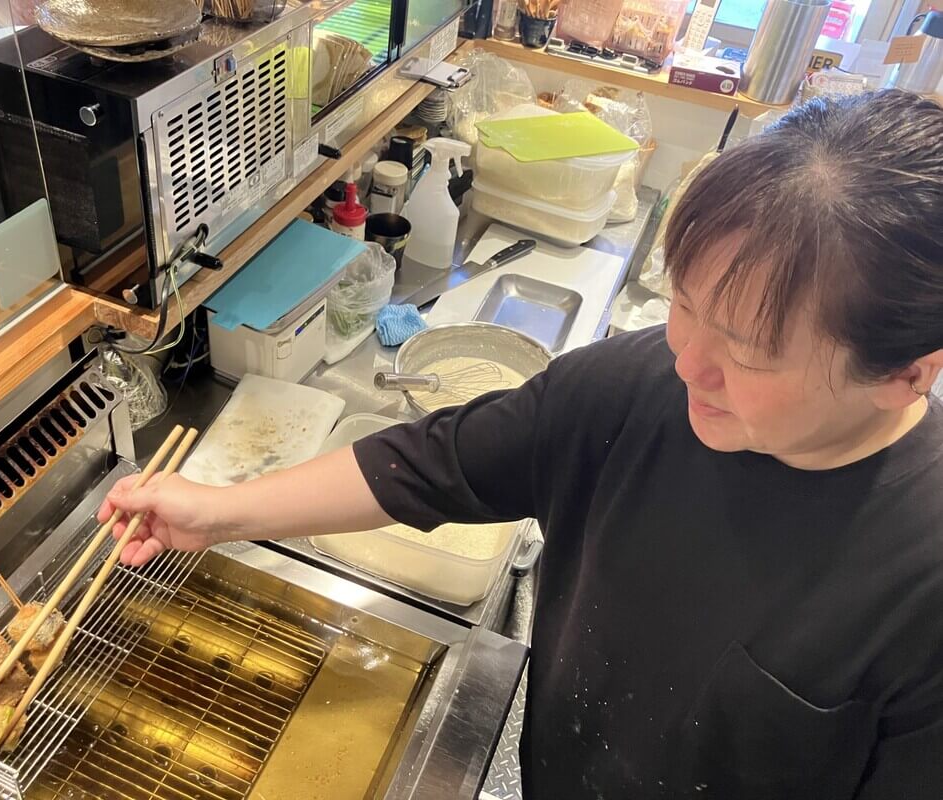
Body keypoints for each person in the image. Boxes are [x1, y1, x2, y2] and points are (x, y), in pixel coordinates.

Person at [99, 91, 943, 799]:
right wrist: (217, 513)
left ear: (907, 372)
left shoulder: (920, 583)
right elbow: (437, 463)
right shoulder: (634, 387)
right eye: (686, 303)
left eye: (749, 352)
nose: (689, 361)